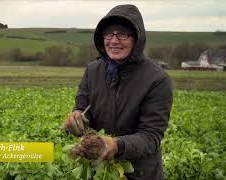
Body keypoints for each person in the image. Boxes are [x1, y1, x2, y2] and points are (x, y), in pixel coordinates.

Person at [64, 4, 173, 180]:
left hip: (139, 173)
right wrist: (76, 119)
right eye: (108, 34)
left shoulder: (157, 80)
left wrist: (116, 146)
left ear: (137, 39)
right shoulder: (93, 71)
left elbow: (151, 136)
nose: (114, 41)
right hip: (98, 170)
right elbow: (83, 108)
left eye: (122, 34)